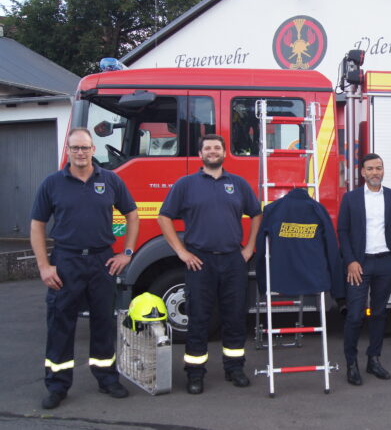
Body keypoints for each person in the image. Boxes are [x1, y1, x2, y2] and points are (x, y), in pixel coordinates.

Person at [30, 128, 139, 409]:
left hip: (102, 261)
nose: (80, 152)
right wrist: (44, 266)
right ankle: (57, 385)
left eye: (85, 148)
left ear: (94, 150)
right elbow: (37, 225)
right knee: (60, 324)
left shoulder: (111, 180)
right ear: (68, 150)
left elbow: (132, 214)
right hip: (66, 261)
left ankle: (107, 378)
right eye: (75, 148)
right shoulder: (52, 183)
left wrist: (126, 253)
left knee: (103, 322)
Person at [158, 134, 261, 394]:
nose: (212, 151)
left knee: (235, 317)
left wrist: (249, 248)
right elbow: (164, 217)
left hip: (232, 260)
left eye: (217, 148)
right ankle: (195, 373)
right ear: (200, 154)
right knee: (199, 319)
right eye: (208, 148)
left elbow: (257, 213)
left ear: (224, 153)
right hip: (199, 262)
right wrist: (181, 252)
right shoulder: (186, 184)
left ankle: (235, 368)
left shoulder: (237, 183)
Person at [338, 153, 391, 386]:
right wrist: (350, 261)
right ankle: (351, 364)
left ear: (383, 171)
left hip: (386, 263)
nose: (375, 172)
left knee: (378, 314)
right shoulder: (351, 198)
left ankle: (374, 360)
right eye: (370, 169)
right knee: (355, 315)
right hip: (359, 264)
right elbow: (343, 232)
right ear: (362, 173)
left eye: (379, 168)